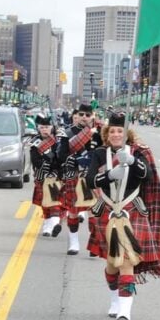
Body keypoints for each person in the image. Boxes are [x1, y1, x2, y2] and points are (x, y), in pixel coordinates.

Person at [86, 113, 160, 320]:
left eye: (119, 131)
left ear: (126, 133)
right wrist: (110, 175)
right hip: (107, 210)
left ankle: (125, 312)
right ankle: (115, 300)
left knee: (127, 261)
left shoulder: (138, 152)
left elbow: (148, 176)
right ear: (107, 133)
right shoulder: (99, 153)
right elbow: (89, 179)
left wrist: (131, 161)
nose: (115, 134)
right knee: (113, 264)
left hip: (131, 210)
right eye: (112, 131)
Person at [59, 103, 102, 256]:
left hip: (92, 175)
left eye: (88, 115)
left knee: (94, 212)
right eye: (82, 114)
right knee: (73, 212)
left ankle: (94, 242)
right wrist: (71, 159)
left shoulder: (99, 132)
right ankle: (74, 242)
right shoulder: (67, 132)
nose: (84, 117)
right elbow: (61, 154)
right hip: (74, 175)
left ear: (92, 116)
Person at [29, 114, 64, 237]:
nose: (44, 130)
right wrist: (46, 165)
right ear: (38, 128)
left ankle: (54, 224)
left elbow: (61, 158)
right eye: (42, 127)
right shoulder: (35, 142)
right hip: (41, 176)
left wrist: (55, 170)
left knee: (54, 202)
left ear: (52, 128)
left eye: (47, 127)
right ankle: (47, 225)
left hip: (55, 176)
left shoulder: (58, 141)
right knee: (45, 203)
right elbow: (35, 160)